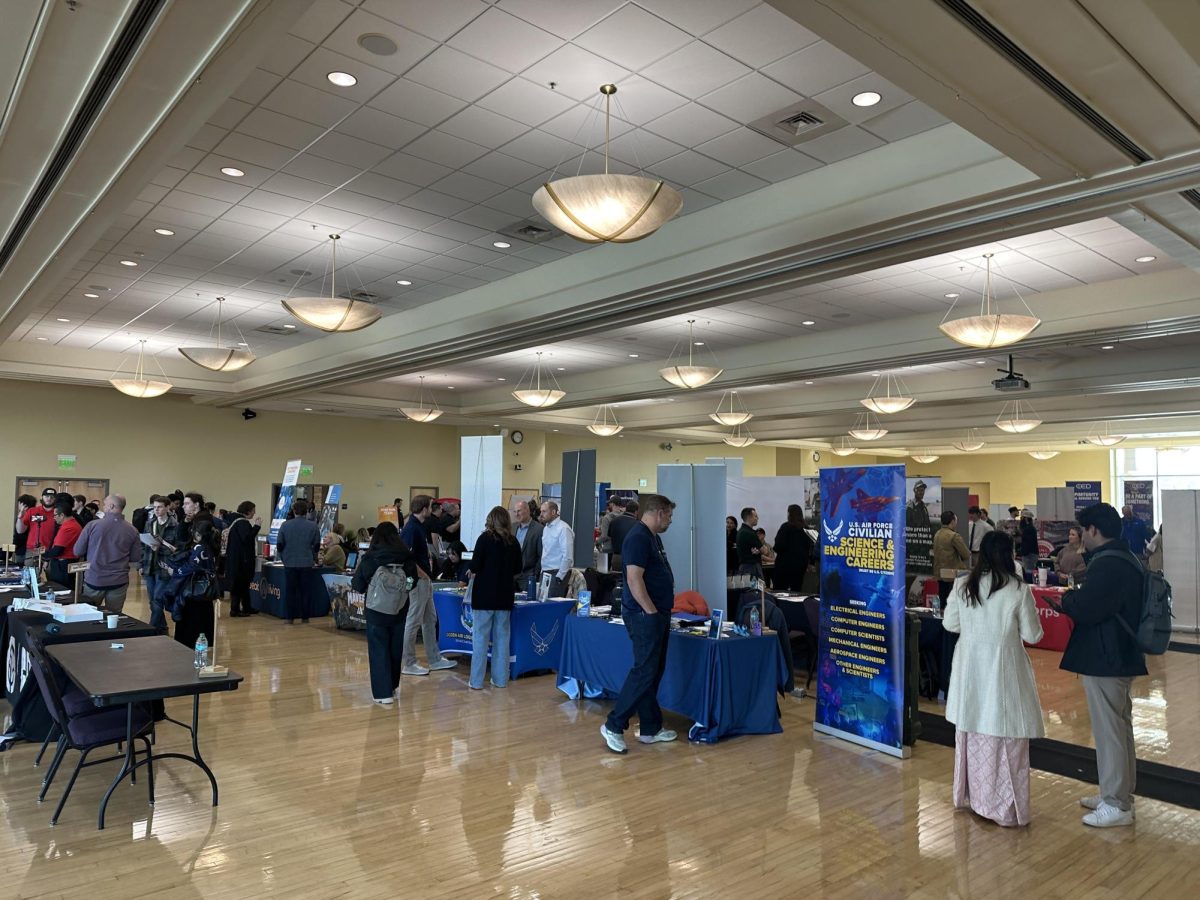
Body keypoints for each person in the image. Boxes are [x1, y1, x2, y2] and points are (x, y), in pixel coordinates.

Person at [943, 530, 1044, 827]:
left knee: (973, 737)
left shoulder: (963, 585)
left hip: (971, 673)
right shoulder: (1018, 590)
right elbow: (1033, 635)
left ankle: (976, 800)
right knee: (1007, 741)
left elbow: (950, 623)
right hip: (1005, 674)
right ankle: (1005, 809)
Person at [1059, 502, 1146, 828]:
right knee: (1119, 729)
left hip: (1106, 656)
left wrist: (1068, 600)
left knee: (1110, 731)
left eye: (1083, 531)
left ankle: (1117, 803)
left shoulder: (1107, 565)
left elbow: (1087, 607)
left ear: (1094, 530)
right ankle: (1118, 793)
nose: (1081, 537)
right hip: (1119, 654)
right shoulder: (1127, 558)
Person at [601, 494, 678, 754]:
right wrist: (651, 612)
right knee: (644, 671)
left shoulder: (652, 538)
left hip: (656, 613)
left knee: (653, 671)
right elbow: (635, 580)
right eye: (669, 515)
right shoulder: (638, 537)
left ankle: (650, 728)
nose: (670, 521)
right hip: (645, 615)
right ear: (659, 513)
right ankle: (614, 724)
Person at [352, 521, 414, 705]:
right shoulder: (406, 556)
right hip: (400, 609)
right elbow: (412, 581)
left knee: (378, 649)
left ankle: (382, 693)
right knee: (395, 649)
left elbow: (358, 584)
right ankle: (393, 687)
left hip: (376, 611)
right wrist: (403, 589)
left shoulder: (372, 557)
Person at [467, 507, 523, 690]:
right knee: (502, 639)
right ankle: (500, 680)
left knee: (480, 640)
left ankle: (476, 681)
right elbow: (518, 569)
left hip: (483, 596)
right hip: (505, 596)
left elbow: (475, 565)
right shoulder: (513, 541)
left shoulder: (484, 539)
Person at [400, 495, 456, 675]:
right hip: (419, 581)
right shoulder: (411, 528)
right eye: (431, 507)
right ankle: (409, 662)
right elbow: (406, 558)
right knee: (413, 620)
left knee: (430, 619)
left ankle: (434, 658)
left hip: (425, 580)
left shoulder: (419, 527)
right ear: (424, 509)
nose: (432, 510)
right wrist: (422, 575)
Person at [72, 495, 142, 613]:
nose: (103, 507)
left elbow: (78, 551)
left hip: (95, 579)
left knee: (89, 614)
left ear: (111, 506)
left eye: (104, 504)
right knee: (114, 617)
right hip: (119, 581)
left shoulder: (92, 526)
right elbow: (135, 557)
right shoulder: (132, 530)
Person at [161, 519, 219, 651]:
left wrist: (175, 571)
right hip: (206, 591)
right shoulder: (211, 547)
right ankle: (203, 643)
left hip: (194, 590)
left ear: (198, 534)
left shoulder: (200, 548)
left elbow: (191, 566)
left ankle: (188, 644)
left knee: (191, 619)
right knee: (203, 618)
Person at [277, 499, 320, 624]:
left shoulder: (285, 525)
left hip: (289, 562)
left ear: (294, 511)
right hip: (306, 562)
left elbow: (280, 544)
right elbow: (316, 545)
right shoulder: (313, 526)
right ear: (307, 511)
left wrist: (283, 557)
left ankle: (290, 618)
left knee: (290, 591)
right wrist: (313, 557)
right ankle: (305, 617)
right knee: (305, 591)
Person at [141, 496, 177, 629]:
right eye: (154, 507)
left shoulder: (175, 526)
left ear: (167, 507)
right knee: (152, 600)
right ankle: (161, 626)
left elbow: (176, 550)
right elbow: (143, 545)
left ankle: (152, 627)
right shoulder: (150, 523)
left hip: (165, 567)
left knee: (157, 598)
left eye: (160, 507)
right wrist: (140, 564)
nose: (156, 510)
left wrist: (160, 547)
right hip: (150, 565)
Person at [225, 501, 261, 617]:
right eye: (253, 511)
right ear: (248, 511)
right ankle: (235, 609)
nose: (254, 514)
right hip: (242, 560)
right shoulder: (243, 523)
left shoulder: (234, 521)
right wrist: (257, 527)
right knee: (240, 584)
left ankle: (246, 607)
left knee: (242, 585)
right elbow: (247, 539)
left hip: (235, 558)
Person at [772, 504, 813, 592]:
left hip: (784, 566)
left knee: (780, 591)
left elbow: (778, 546)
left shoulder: (785, 527)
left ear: (790, 514)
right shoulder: (807, 529)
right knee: (796, 591)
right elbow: (811, 548)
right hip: (800, 567)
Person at [932, 510, 969, 606]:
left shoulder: (937, 534)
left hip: (940, 573)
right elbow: (965, 554)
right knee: (953, 603)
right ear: (952, 521)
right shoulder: (954, 536)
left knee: (943, 601)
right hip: (952, 575)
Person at [539, 500, 574, 598]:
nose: (541, 514)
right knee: (542, 604)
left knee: (551, 606)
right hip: (545, 572)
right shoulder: (546, 528)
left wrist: (560, 576)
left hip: (557, 572)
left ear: (553, 512)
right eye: (541, 511)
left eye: (544, 511)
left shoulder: (563, 528)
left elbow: (568, 556)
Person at [45, 497, 83, 586]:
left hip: (63, 564)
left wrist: (43, 555)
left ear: (62, 515)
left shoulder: (68, 527)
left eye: (55, 515)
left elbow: (58, 550)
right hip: (64, 562)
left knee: (60, 588)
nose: (54, 518)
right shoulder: (70, 524)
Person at [15, 488, 57, 558]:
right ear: (42, 497)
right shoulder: (32, 511)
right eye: (46, 496)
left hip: (51, 549)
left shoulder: (58, 512)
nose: (49, 499)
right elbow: (20, 531)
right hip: (32, 549)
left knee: (48, 569)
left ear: (55, 499)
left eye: (52, 497)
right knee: (30, 568)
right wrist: (20, 518)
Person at [512, 498, 543, 588]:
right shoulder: (512, 527)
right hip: (512, 576)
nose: (516, 514)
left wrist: (535, 574)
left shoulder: (539, 529)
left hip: (528, 577)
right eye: (515, 512)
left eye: (519, 511)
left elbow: (541, 555)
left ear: (527, 510)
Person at [607, 500, 639, 570]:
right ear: (636, 512)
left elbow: (609, 537)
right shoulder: (638, 525)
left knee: (616, 579)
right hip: (631, 559)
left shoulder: (614, 521)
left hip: (616, 558)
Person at [735, 507, 763, 578]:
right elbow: (764, 551)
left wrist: (758, 550)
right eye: (755, 516)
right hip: (751, 567)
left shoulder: (741, 531)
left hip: (745, 567)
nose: (757, 518)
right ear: (749, 517)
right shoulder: (749, 532)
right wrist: (760, 549)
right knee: (755, 589)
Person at [11, 493, 36, 565]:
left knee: (22, 570)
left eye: (19, 503)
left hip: (23, 549)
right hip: (28, 549)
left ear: (23, 505)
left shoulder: (23, 517)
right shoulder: (35, 516)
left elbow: (20, 533)